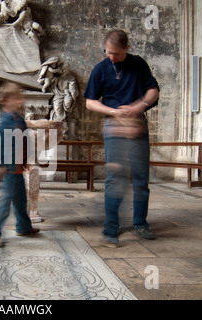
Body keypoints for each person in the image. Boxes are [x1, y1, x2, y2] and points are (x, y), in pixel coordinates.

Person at [84, 29, 160, 248]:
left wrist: (139, 106)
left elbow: (152, 90)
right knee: (114, 179)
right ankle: (110, 229)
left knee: (140, 178)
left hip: (137, 125)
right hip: (114, 126)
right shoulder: (101, 69)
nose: (111, 57)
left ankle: (141, 224)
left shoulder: (139, 64)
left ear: (126, 48)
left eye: (116, 53)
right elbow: (90, 102)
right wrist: (115, 112)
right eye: (108, 52)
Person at [0, 82, 40, 247]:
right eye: (17, 98)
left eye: (21, 97)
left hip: (17, 168)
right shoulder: (5, 121)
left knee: (20, 200)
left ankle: (23, 227)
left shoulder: (19, 119)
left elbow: (25, 142)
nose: (21, 100)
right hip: (8, 169)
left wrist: (26, 161)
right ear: (6, 100)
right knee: (5, 202)